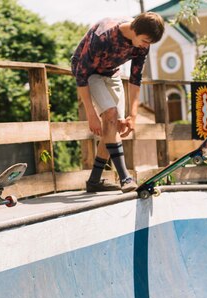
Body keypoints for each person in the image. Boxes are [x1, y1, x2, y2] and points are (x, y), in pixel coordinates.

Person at [71, 12, 165, 193]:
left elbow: (135, 78)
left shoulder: (142, 44)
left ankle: (94, 181)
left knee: (114, 126)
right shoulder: (103, 37)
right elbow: (81, 75)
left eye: (150, 43)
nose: (146, 46)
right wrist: (91, 114)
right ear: (135, 30)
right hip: (89, 74)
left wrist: (133, 115)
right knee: (111, 115)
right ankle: (126, 178)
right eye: (145, 41)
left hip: (112, 73)